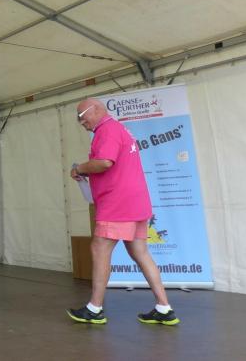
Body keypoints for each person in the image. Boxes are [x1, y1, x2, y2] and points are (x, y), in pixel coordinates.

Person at [67, 98, 179, 325]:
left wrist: (80, 168)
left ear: (96, 110)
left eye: (81, 116)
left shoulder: (106, 130)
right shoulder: (120, 129)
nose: (81, 122)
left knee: (100, 248)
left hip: (118, 203)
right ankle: (164, 308)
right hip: (136, 202)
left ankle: (94, 308)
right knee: (141, 252)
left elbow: (104, 162)